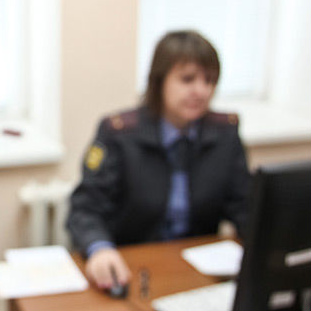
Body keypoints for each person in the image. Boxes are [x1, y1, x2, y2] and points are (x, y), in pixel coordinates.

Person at [66, 30, 250, 291]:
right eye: (187, 80)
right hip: (133, 269)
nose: (201, 91)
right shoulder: (119, 133)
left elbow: (245, 207)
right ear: (159, 81)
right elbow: (85, 208)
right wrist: (99, 249)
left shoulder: (225, 135)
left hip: (198, 274)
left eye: (209, 81)